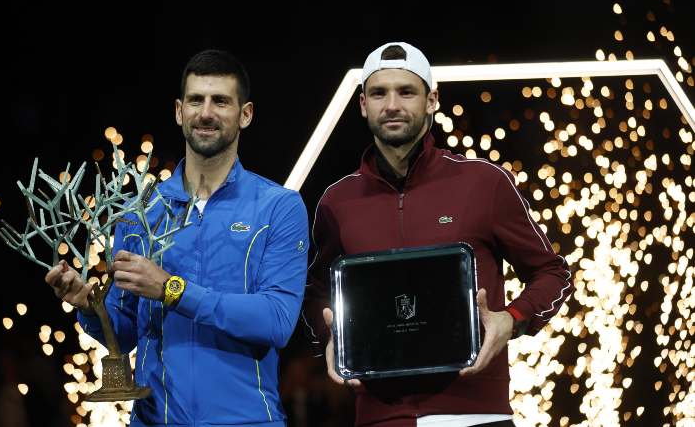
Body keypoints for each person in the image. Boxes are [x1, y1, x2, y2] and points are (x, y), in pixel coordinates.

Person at [304, 42, 572, 427]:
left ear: (432, 100)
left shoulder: (484, 182)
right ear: (363, 104)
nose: (392, 105)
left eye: (406, 92)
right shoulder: (337, 200)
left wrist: (511, 319)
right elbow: (315, 290)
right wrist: (331, 337)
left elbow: (553, 273)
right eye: (379, 93)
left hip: (476, 414)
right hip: (380, 418)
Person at [46, 49, 309, 426]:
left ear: (245, 114)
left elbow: (277, 320)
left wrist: (173, 290)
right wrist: (89, 307)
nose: (206, 112)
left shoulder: (278, 207)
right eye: (195, 100)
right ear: (178, 111)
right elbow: (123, 334)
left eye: (220, 101)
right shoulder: (139, 211)